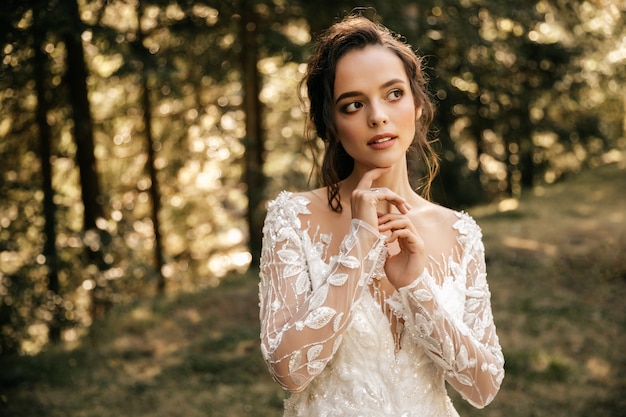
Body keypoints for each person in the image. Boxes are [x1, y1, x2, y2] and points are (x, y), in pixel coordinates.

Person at [258, 13, 505, 417]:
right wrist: (359, 244)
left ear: (418, 104)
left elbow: (483, 386)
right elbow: (289, 371)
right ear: (332, 124)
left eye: (393, 94)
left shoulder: (460, 232)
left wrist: (415, 286)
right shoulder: (293, 218)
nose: (377, 116)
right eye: (353, 104)